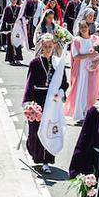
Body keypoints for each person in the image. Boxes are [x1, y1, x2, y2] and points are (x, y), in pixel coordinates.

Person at [23, 34, 69, 174]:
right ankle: (32, 148)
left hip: (52, 102)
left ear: (54, 46)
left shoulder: (57, 63)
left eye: (50, 46)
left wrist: (61, 92)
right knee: (35, 131)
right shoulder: (35, 63)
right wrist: (28, 103)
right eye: (45, 47)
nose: (48, 49)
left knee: (48, 130)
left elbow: (64, 83)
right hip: (38, 100)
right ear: (41, 47)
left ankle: (45, 161)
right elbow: (29, 84)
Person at [64, 21, 99, 123]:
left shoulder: (95, 39)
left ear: (89, 27)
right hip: (81, 70)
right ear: (79, 29)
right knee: (81, 91)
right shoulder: (76, 40)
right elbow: (76, 56)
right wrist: (90, 55)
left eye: (85, 27)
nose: (84, 29)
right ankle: (80, 115)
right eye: (81, 27)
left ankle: (89, 113)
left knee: (92, 91)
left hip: (92, 70)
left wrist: (97, 61)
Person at [2, 0, 23, 64]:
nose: (14, 1)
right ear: (10, 1)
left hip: (17, 28)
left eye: (15, 0)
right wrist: (4, 28)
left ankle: (18, 59)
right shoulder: (7, 8)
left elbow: (21, 17)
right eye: (12, 0)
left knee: (17, 42)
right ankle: (10, 59)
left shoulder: (19, 8)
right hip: (9, 28)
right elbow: (4, 19)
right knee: (10, 44)